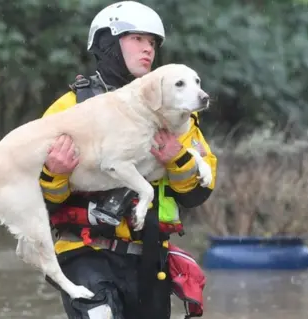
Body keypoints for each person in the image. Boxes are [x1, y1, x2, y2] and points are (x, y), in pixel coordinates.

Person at [38, 1, 217, 318]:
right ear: (107, 44)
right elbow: (36, 199)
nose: (147, 49)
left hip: (149, 260)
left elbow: (197, 194)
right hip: (84, 252)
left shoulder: (176, 112)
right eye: (136, 39)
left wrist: (178, 160)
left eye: (151, 42)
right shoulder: (70, 107)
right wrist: (55, 174)